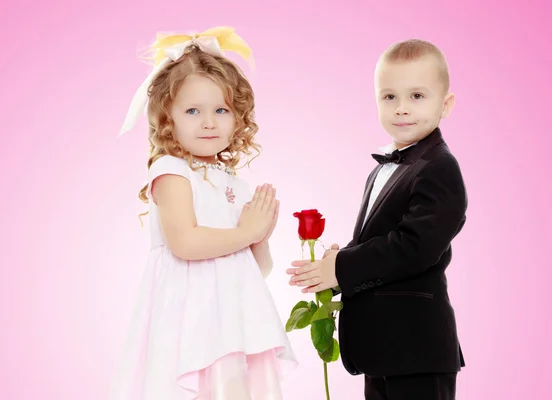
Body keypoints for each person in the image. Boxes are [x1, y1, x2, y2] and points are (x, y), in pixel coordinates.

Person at [109, 27, 297, 399]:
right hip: (190, 317)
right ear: (168, 118)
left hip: (234, 318)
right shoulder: (171, 171)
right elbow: (185, 242)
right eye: (193, 110)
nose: (208, 122)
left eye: (221, 110)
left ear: (238, 117)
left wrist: (261, 235)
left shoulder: (234, 182)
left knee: (235, 387)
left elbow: (255, 269)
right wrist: (246, 232)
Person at [286, 38, 467, 400]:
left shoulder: (439, 167)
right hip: (383, 348)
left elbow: (415, 247)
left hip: (417, 347)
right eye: (389, 97)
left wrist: (345, 266)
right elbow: (380, 240)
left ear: (445, 104)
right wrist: (334, 265)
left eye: (417, 96)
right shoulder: (385, 168)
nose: (402, 108)